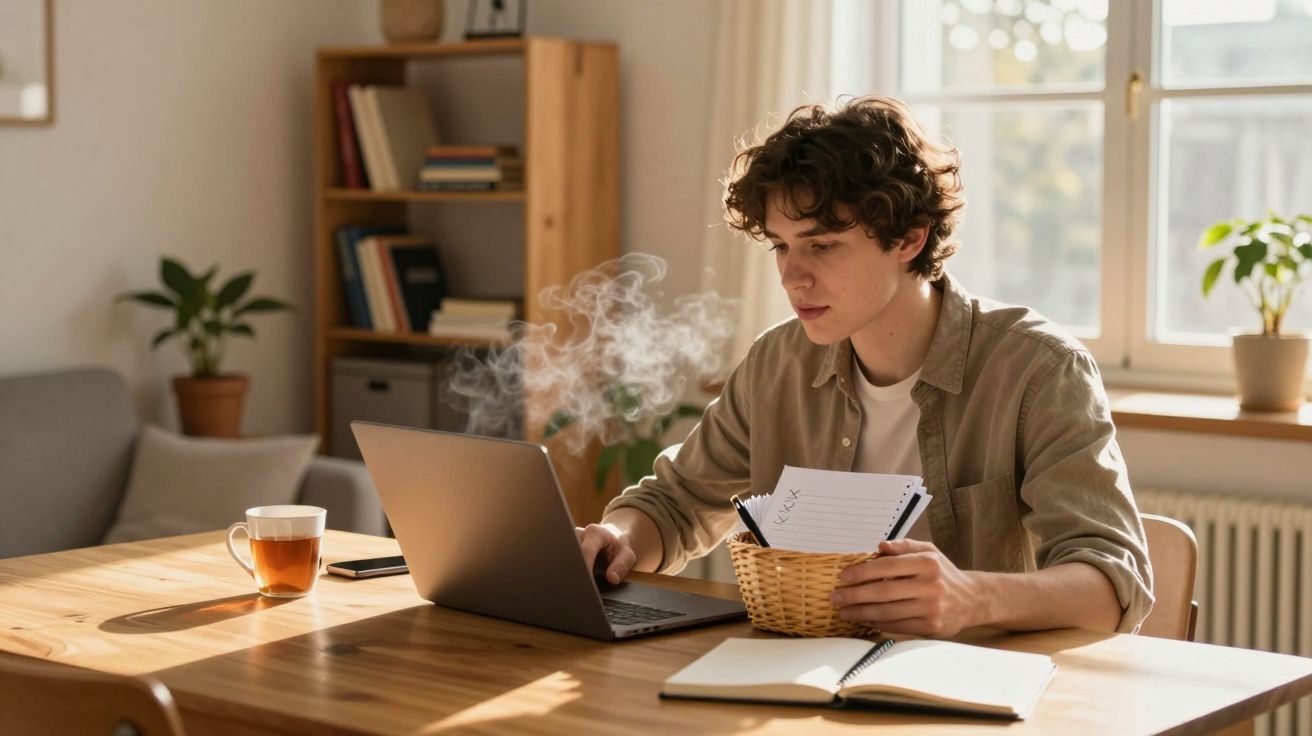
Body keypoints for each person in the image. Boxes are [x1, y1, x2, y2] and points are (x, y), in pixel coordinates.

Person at [576, 95, 1153, 637]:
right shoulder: (777, 363)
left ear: (908, 238)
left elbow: (1112, 585)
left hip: (968, 697)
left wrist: (972, 597)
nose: (791, 276)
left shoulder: (1039, 369)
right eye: (781, 245)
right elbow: (673, 506)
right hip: (799, 685)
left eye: (822, 245)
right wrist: (617, 537)